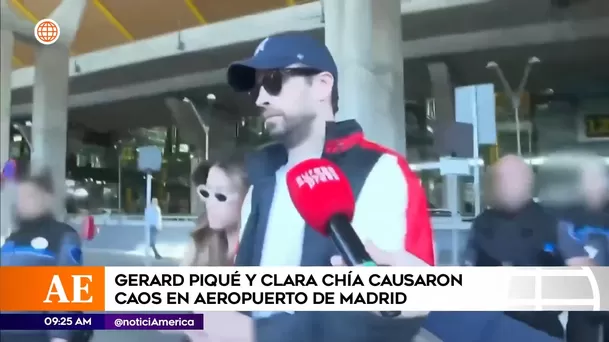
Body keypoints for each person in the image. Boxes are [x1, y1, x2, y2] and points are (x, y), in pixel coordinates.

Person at [199, 32, 435, 342]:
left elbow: (392, 315)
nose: (260, 99)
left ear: (323, 85)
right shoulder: (261, 182)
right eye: (257, 87)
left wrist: (257, 334)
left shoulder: (382, 171)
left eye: (273, 80)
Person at [432, 155, 595, 342]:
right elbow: (468, 271)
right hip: (492, 325)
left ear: (528, 182)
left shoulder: (552, 222)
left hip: (541, 327)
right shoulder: (482, 224)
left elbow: (585, 272)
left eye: (514, 177)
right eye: (501, 178)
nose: (507, 184)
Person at [0, 169, 92, 342]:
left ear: (47, 198)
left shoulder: (63, 236)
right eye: (21, 197)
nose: (23, 202)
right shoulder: (12, 239)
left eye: (31, 196)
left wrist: (60, 337)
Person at [536, 151, 609, 342]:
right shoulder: (566, 222)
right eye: (589, 180)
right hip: (583, 315)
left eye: (600, 179)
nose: (596, 185)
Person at [181, 152, 249, 267]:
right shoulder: (201, 241)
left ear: (247, 197)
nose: (210, 203)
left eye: (220, 196)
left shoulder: (262, 249)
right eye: (206, 193)